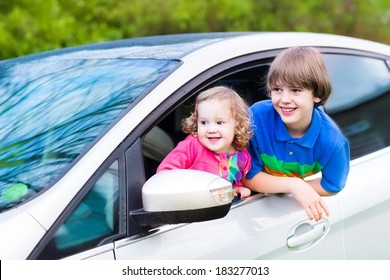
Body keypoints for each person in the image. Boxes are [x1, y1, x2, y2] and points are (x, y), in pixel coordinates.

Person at [242, 47, 350, 221]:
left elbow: (332, 185)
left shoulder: (333, 142)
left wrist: (298, 187)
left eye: (296, 90)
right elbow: (246, 176)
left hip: (284, 216)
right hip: (251, 213)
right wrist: (294, 185)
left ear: (317, 94)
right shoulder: (256, 118)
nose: (284, 99)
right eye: (277, 89)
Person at [157, 86, 253, 198]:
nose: (211, 130)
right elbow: (164, 174)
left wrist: (236, 188)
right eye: (204, 122)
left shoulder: (241, 155)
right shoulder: (191, 146)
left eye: (220, 122)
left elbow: (234, 179)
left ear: (237, 123)